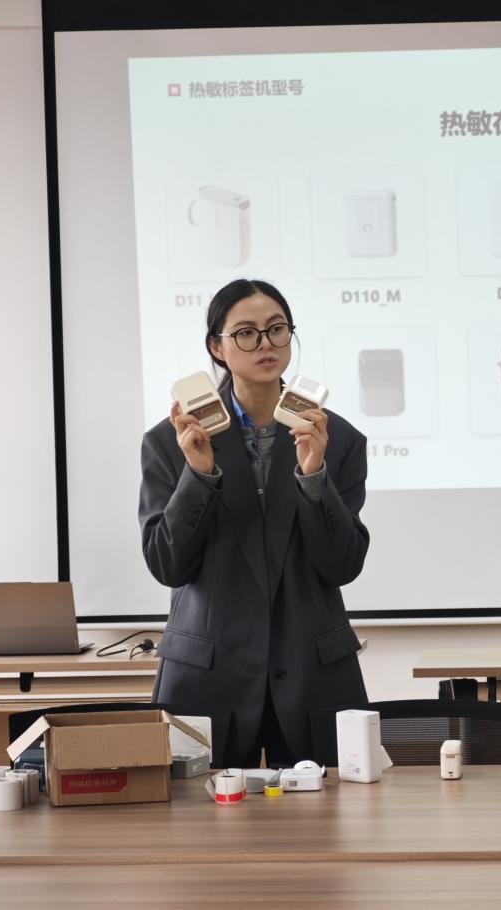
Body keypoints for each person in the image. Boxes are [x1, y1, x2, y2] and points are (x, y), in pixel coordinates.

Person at [138, 278, 369, 768]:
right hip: (207, 675)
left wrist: (314, 476)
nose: (265, 344)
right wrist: (199, 475)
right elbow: (167, 565)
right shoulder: (170, 442)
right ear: (216, 347)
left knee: (330, 815)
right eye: (246, 333)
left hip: (313, 673)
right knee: (197, 818)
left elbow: (342, 565)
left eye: (277, 329)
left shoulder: (339, 439)